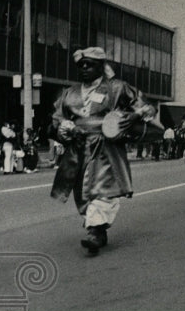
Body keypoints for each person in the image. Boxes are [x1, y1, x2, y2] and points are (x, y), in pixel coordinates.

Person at [50, 46, 155, 255]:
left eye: (90, 64)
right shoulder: (69, 93)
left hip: (106, 146)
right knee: (82, 193)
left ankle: (95, 231)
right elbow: (57, 118)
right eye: (81, 65)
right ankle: (96, 227)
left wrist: (134, 115)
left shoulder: (118, 88)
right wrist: (64, 127)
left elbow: (146, 107)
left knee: (103, 189)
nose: (85, 68)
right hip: (78, 148)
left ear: (101, 66)